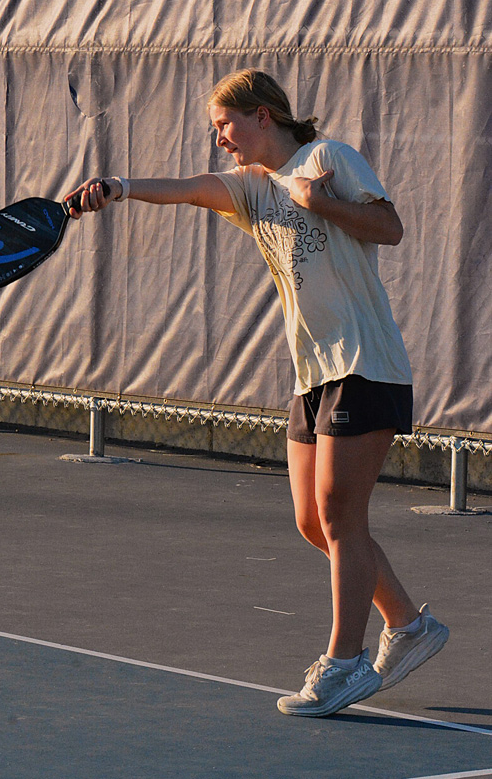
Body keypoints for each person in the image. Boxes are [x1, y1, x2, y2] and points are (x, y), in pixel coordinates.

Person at [64, 68, 449, 717]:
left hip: (364, 362)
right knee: (312, 522)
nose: (219, 138)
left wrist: (319, 202)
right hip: (311, 372)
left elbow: (389, 228)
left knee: (340, 517)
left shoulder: (327, 159)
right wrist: (119, 188)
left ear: (262, 115)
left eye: (225, 124)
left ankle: (343, 664)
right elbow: (189, 189)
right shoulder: (251, 188)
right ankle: (409, 627)